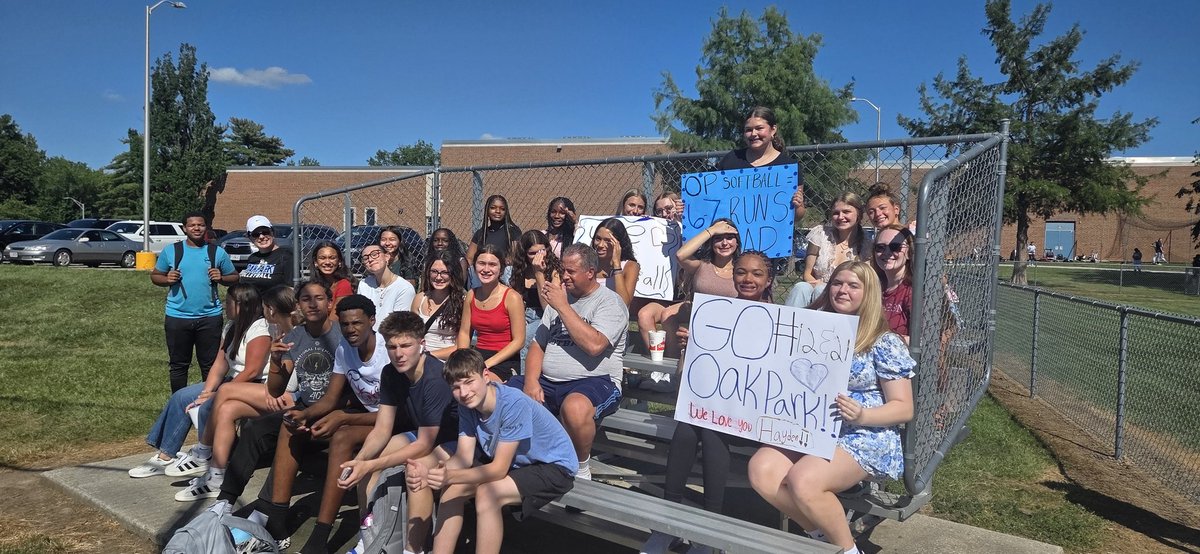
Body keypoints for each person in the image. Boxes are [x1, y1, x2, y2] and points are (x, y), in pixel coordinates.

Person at [747, 261, 915, 554]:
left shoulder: (883, 341)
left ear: (869, 293)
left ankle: (847, 550)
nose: (842, 290)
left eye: (853, 285)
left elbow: (904, 408)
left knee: (803, 481)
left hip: (864, 435)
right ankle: (821, 538)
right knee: (762, 470)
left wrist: (864, 414)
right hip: (812, 427)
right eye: (837, 283)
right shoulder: (811, 328)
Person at [642, 250, 775, 554]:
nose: (747, 279)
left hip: (750, 411)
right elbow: (683, 379)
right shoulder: (713, 311)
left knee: (711, 429)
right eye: (740, 272)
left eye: (756, 273)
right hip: (711, 406)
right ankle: (668, 525)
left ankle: (708, 533)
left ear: (768, 280)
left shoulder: (780, 321)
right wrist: (689, 350)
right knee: (689, 427)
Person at [407, 349, 576, 554]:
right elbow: (463, 457)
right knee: (453, 490)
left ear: (486, 376)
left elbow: (497, 470)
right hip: (518, 462)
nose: (464, 393)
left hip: (553, 465)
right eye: (456, 387)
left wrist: (448, 476)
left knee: (488, 494)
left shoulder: (513, 404)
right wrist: (431, 473)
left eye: (469, 382)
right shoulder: (467, 405)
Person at [261, 294, 387, 552]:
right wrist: (305, 415)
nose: (351, 329)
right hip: (368, 415)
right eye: (345, 324)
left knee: (342, 436)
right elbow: (330, 399)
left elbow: (395, 414)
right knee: (290, 424)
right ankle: (277, 521)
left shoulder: (387, 352)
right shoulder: (344, 348)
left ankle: (320, 536)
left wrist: (343, 417)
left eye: (357, 323)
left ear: (372, 321)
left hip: (396, 422)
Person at [212, 281, 341, 516]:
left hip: (333, 411)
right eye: (306, 299)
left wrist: (305, 412)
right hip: (305, 407)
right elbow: (275, 389)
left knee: (285, 426)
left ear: (330, 302)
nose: (312, 304)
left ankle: (268, 510)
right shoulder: (295, 335)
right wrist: (275, 361)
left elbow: (340, 391)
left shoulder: (341, 336)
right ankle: (225, 500)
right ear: (299, 305)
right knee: (254, 428)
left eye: (319, 298)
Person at [336, 311, 460, 554]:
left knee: (417, 470)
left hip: (453, 441)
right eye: (392, 346)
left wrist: (371, 465)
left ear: (422, 344)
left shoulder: (436, 378)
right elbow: (382, 428)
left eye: (406, 345)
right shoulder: (390, 372)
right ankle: (368, 538)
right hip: (422, 433)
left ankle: (413, 549)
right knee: (364, 461)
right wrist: (360, 461)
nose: (399, 353)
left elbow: (425, 445)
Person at [509, 244, 627, 480]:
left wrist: (562, 306)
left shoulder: (609, 303)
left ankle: (581, 467)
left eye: (571, 271)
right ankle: (517, 458)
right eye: (563, 270)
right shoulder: (560, 301)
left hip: (596, 381)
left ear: (590, 272)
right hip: (549, 382)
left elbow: (595, 346)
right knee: (504, 394)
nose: (564, 276)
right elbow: (537, 345)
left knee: (574, 408)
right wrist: (532, 381)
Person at [129, 285, 266, 483]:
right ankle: (166, 455)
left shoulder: (259, 329)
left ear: (242, 305)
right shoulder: (231, 326)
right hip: (234, 381)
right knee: (182, 396)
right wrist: (208, 390)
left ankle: (209, 454)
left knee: (208, 405)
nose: (224, 305)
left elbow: (252, 370)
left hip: (254, 383)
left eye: (227, 302)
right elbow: (220, 363)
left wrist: (218, 394)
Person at [171, 285, 297, 501]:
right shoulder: (277, 331)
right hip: (278, 391)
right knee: (227, 408)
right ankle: (216, 477)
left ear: (271, 310)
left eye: (265, 308)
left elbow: (284, 381)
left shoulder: (293, 333)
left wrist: (211, 394)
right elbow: (278, 378)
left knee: (226, 390)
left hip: (292, 397)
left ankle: (203, 452)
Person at [150, 211, 238, 392]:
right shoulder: (172, 251)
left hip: (210, 317)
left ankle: (208, 402)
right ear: (185, 228)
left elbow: (234, 277)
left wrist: (221, 278)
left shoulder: (216, 252)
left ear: (206, 227)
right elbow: (155, 276)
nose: (196, 228)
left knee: (210, 365)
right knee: (178, 365)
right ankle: (178, 403)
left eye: (201, 225)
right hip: (177, 316)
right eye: (192, 225)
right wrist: (167, 279)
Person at [641, 218, 741, 358]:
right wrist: (711, 230)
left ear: (737, 242)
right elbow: (681, 255)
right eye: (718, 238)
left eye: (730, 238)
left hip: (730, 324)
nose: (724, 243)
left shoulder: (742, 269)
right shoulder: (701, 266)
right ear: (711, 242)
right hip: (700, 319)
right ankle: (672, 360)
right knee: (668, 313)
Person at [716, 106, 806, 221]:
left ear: (773, 130)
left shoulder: (789, 167)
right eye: (748, 130)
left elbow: (797, 216)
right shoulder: (731, 159)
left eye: (759, 128)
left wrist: (798, 205)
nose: (753, 133)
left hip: (774, 235)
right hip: (732, 236)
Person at [457, 244, 526, 381]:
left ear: (501, 269)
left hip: (503, 359)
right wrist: (462, 360)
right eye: (481, 263)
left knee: (479, 384)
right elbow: (465, 332)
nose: (486, 269)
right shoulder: (472, 295)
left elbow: (519, 341)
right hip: (478, 356)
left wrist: (486, 365)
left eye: (492, 264)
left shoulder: (512, 298)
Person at [788, 192, 868, 307]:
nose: (840, 217)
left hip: (846, 298)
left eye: (846, 212)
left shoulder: (867, 244)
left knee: (821, 290)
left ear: (859, 214)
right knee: (801, 287)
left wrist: (828, 288)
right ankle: (788, 322)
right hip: (817, 288)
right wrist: (822, 286)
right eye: (836, 213)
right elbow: (807, 273)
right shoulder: (820, 234)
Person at [511, 230, 562, 365]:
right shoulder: (519, 271)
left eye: (541, 252)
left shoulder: (555, 272)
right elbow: (517, 300)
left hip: (547, 317)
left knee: (526, 336)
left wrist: (539, 274)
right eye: (532, 253)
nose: (537, 257)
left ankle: (524, 379)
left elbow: (548, 309)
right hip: (524, 315)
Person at [412, 250, 465, 360]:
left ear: (453, 274)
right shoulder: (420, 299)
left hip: (448, 362)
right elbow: (411, 335)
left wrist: (428, 356)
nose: (438, 277)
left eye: (445, 272)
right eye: (434, 271)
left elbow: (461, 346)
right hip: (419, 359)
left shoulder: (462, 301)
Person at [871, 225, 914, 344]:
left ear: (909, 253)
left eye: (895, 247)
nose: (887, 253)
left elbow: (922, 340)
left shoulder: (912, 291)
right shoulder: (871, 287)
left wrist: (882, 341)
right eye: (880, 247)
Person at [467, 194, 521, 286]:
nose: (498, 211)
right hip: (483, 272)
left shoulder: (512, 231)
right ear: (487, 211)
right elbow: (469, 258)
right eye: (493, 208)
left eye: (502, 209)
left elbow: (514, 256)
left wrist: (499, 266)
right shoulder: (480, 233)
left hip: (503, 272)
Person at [357, 243, 415, 329]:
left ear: (387, 257)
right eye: (365, 258)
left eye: (375, 254)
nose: (370, 259)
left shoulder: (404, 288)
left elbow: (399, 325)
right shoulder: (364, 284)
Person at [239, 215, 294, 295]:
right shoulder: (252, 258)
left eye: (265, 232)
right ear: (250, 238)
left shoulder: (286, 256)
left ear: (272, 232)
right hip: (251, 305)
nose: (261, 237)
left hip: (273, 305)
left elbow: (291, 288)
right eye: (255, 234)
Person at [592, 217, 640, 307]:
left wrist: (617, 266)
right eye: (598, 239)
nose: (601, 245)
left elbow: (624, 304)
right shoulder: (589, 263)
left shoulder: (630, 266)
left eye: (608, 241)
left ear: (618, 243)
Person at [307, 241, 354, 317]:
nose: (327, 262)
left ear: (339, 262)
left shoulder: (344, 285)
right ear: (316, 262)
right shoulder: (312, 286)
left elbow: (335, 319)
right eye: (322, 258)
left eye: (332, 258)